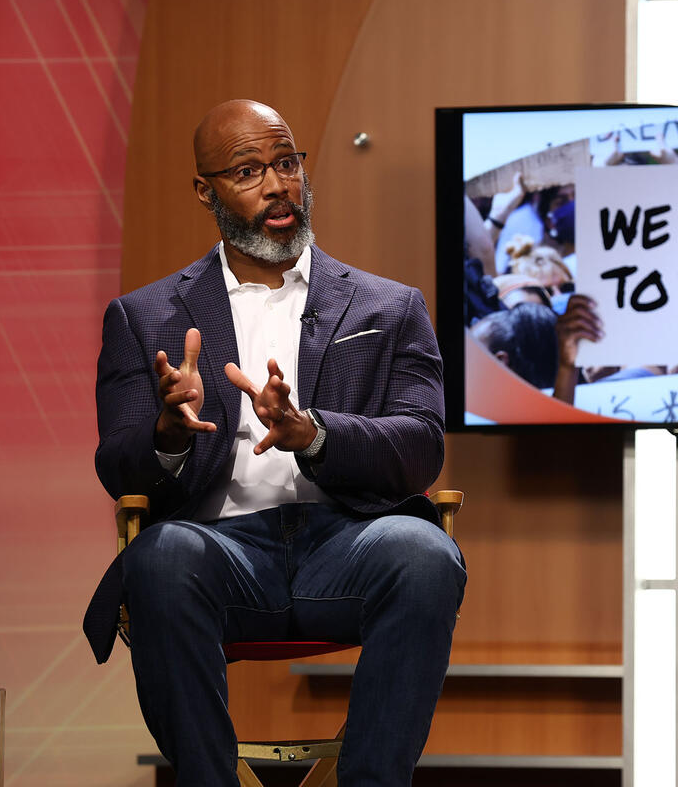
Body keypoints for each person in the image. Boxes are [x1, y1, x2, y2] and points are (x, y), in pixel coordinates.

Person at [82, 100, 466, 787]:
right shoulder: (144, 318)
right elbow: (119, 466)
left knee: (426, 552)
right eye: (249, 170)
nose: (277, 185)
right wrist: (166, 437)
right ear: (207, 191)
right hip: (218, 552)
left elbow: (420, 446)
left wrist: (314, 433)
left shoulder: (389, 307)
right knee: (160, 554)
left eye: (286, 163)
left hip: (348, 546)